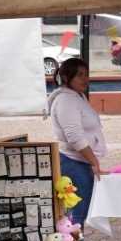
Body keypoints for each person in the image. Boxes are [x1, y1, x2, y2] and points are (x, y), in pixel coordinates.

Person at [48, 58, 108, 226]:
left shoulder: (77, 97)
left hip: (80, 162)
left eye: (86, 75)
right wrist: (94, 161)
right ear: (67, 78)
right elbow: (74, 136)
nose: (85, 79)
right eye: (80, 75)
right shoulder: (66, 101)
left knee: (81, 212)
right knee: (77, 216)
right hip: (73, 163)